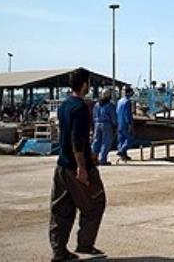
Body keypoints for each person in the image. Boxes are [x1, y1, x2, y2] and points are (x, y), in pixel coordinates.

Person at [49, 68, 106, 261]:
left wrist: (89, 154)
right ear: (84, 85)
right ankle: (85, 243)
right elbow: (77, 140)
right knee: (96, 202)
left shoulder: (64, 105)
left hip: (62, 166)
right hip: (76, 167)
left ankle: (59, 250)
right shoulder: (81, 108)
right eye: (88, 83)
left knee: (61, 209)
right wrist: (83, 167)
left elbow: (70, 136)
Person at [91, 90, 117, 165]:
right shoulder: (110, 105)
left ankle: (93, 158)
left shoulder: (97, 105)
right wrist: (115, 125)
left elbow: (94, 115)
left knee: (96, 141)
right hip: (106, 124)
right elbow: (113, 117)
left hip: (97, 124)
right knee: (106, 142)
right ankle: (102, 159)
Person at [116, 87, 134, 162]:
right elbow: (127, 114)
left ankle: (124, 155)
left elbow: (116, 111)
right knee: (130, 138)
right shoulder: (127, 102)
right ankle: (121, 151)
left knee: (121, 140)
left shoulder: (119, 101)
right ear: (129, 92)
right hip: (125, 123)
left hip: (119, 122)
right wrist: (129, 123)